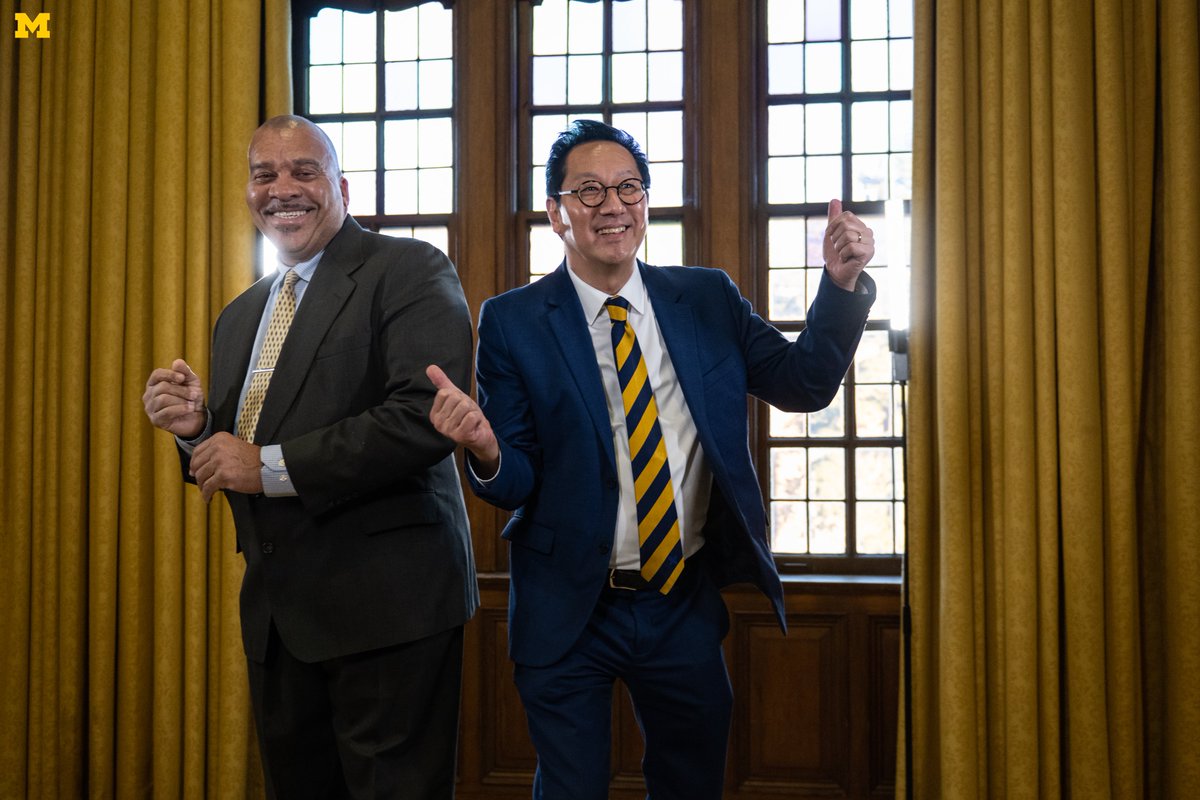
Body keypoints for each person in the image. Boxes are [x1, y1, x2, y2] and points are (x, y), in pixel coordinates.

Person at [426, 119, 876, 800]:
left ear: (646, 201)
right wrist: (485, 449)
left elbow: (802, 383)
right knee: (571, 788)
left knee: (690, 783)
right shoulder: (514, 320)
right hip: (568, 603)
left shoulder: (706, 297)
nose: (613, 206)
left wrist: (839, 287)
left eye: (629, 188)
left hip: (681, 599)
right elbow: (515, 480)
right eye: (589, 191)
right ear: (556, 213)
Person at [142, 115, 478, 800]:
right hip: (280, 619)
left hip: (390, 612)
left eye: (303, 171)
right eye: (263, 174)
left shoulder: (409, 269)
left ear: (342, 187)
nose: (281, 188)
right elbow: (232, 451)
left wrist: (262, 466)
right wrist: (194, 429)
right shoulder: (241, 314)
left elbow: (421, 418)